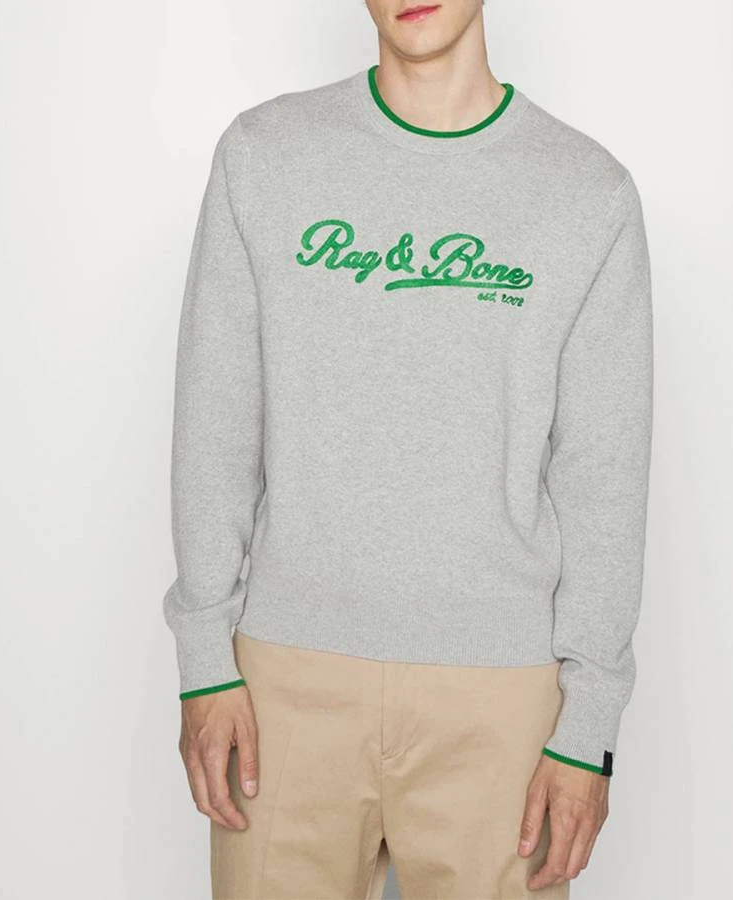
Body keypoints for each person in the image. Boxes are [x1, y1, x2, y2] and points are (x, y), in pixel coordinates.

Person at [162, 1, 653, 897]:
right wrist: (203, 663)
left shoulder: (588, 194)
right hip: (283, 688)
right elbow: (215, 419)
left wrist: (590, 727)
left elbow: (604, 480)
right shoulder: (265, 157)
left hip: (501, 703)